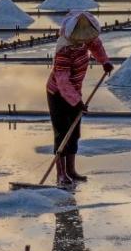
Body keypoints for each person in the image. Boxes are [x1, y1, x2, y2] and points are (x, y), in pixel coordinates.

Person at [46, 10, 114, 185]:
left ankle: (71, 171)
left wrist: (104, 61)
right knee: (62, 133)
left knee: (74, 132)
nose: (85, 41)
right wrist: (77, 103)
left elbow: (96, 45)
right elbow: (62, 82)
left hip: (75, 92)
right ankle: (60, 174)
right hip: (59, 94)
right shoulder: (64, 50)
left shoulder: (84, 39)